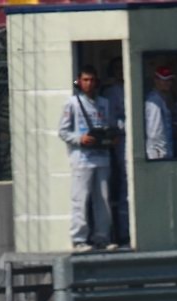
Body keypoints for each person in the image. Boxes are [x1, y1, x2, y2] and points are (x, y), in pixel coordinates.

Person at [58, 65, 114, 252]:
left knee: (103, 199)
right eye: (85, 80)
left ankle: (102, 237)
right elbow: (63, 131)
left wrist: (111, 137)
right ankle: (79, 238)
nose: (89, 84)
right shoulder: (72, 103)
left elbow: (111, 125)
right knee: (80, 198)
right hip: (82, 157)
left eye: (92, 80)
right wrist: (79, 139)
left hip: (102, 156)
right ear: (79, 82)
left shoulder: (104, 103)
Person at [100, 57, 129, 247]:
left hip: (133, 143)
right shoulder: (111, 92)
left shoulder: (132, 87)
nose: (120, 71)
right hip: (119, 143)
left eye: (122, 67)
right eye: (117, 68)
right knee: (122, 189)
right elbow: (111, 120)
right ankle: (123, 233)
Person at [144, 65, 175, 161]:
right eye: (163, 80)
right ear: (156, 80)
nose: (167, 83)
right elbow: (154, 131)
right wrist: (160, 152)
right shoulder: (154, 100)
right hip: (158, 153)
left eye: (169, 80)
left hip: (165, 149)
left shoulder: (163, 99)